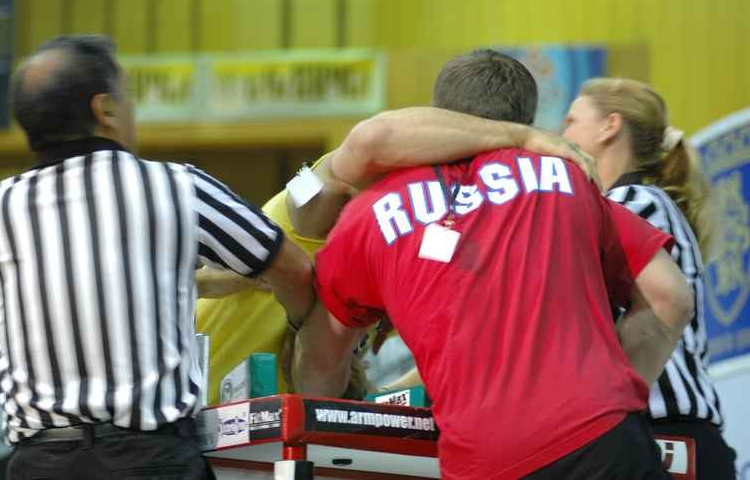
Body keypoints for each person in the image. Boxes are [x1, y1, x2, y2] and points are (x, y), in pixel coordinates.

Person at [293, 49, 693, 479]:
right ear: (528, 116)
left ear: (439, 112)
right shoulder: (567, 176)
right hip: (602, 438)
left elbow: (320, 363)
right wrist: (611, 398)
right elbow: (669, 297)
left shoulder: (365, 213)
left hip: (487, 461)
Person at [0, 34, 315, 480]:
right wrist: (306, 345)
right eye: (127, 96)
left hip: (40, 463)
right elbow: (291, 267)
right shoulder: (173, 186)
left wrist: (202, 283)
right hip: (149, 460)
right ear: (105, 110)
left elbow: (72, 290)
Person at [196, 106, 600, 403]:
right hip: (210, 422)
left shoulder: (421, 239)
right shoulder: (308, 194)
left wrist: (383, 399)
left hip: (283, 435)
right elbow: (336, 163)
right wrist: (524, 137)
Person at [563, 77, 737, 479]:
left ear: (610, 126)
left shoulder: (634, 203)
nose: (562, 134)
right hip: (665, 438)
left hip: (668, 436)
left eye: (571, 120)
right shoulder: (638, 203)